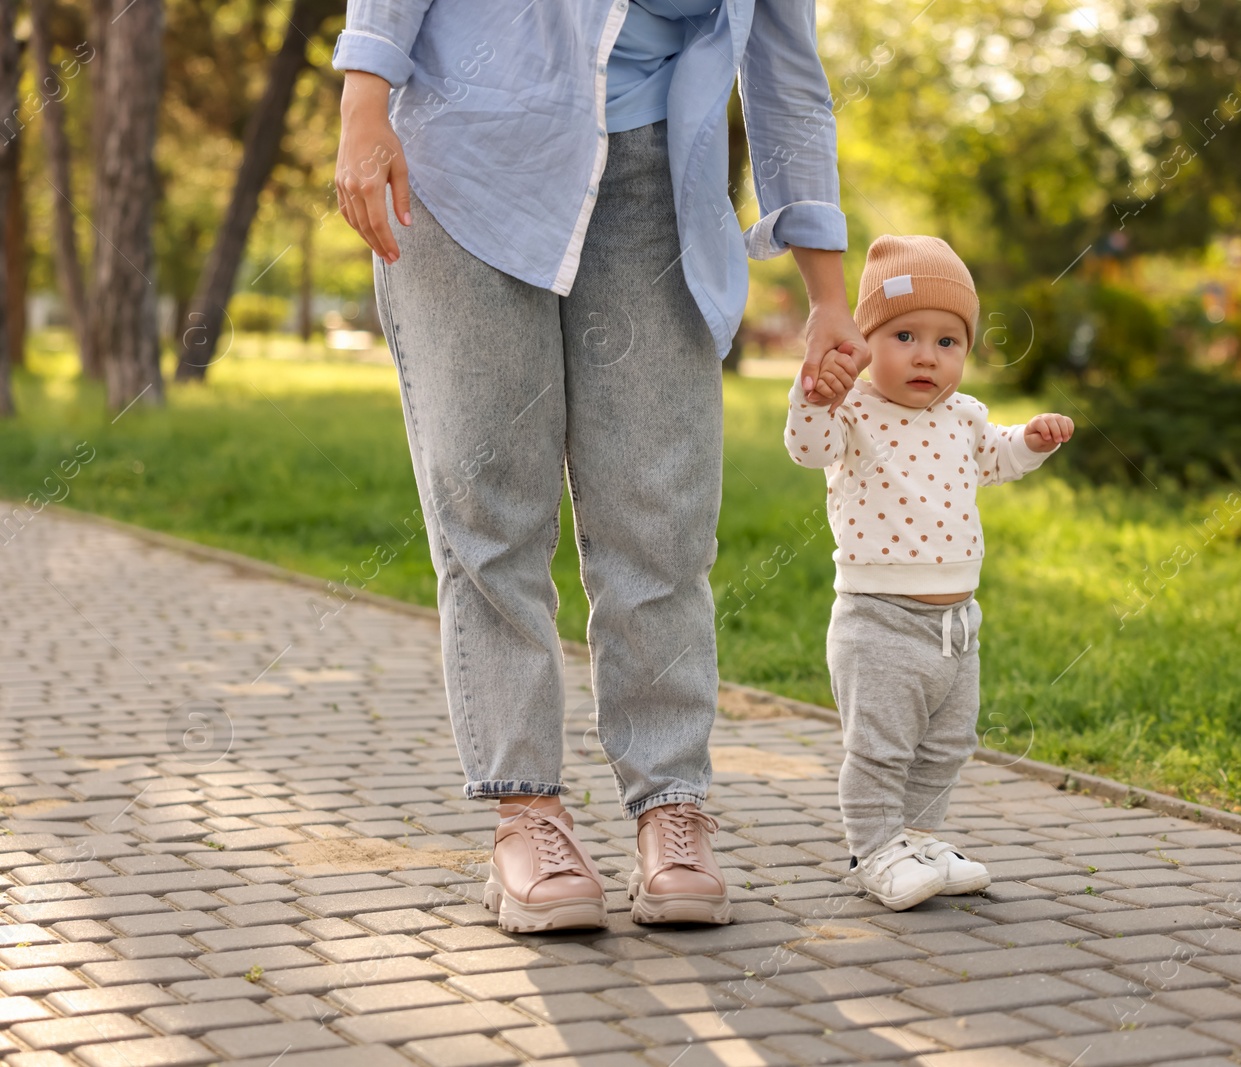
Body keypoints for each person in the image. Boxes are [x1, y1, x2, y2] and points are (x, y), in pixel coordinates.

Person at [330, 0, 868, 931]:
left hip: (661, 179)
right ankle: (526, 812)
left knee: (659, 509)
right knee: (492, 505)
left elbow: (787, 73)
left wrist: (827, 291)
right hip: (471, 157)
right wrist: (363, 98)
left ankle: (672, 805)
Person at [784, 235, 1074, 910]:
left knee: (947, 742)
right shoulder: (852, 408)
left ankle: (918, 836)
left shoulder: (965, 414)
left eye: (949, 342)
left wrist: (1029, 442)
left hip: (956, 624)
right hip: (878, 619)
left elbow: (995, 459)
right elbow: (807, 448)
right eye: (906, 335)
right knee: (881, 746)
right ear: (864, 340)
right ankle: (874, 848)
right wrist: (813, 396)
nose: (927, 356)